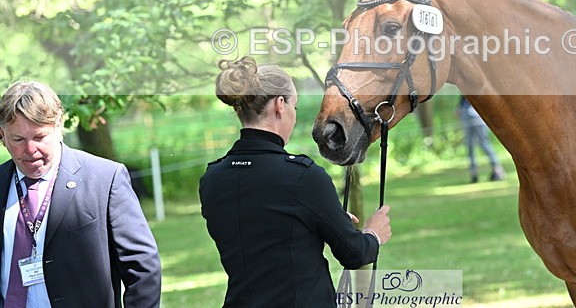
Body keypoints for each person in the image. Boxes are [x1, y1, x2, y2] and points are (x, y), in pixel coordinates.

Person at [200, 57, 391, 307]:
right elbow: (354, 254)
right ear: (280, 105)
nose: (294, 115)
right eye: (295, 107)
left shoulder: (212, 178)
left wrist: (324, 218)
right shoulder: (303, 176)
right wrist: (373, 234)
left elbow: (261, 229)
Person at [0, 80, 161, 307]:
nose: (30, 149)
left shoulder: (105, 179)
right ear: (2, 136)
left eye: (39, 137)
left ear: (58, 127)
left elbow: (143, 267)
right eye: (18, 139)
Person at [457, 96, 505, 183]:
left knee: (484, 143)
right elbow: (463, 95)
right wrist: (459, 106)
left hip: (476, 114)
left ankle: (497, 170)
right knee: (470, 145)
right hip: (466, 111)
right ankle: (473, 174)